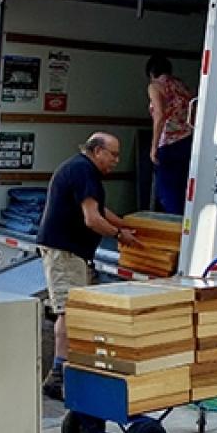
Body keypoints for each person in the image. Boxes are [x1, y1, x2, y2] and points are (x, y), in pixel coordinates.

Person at [37, 132, 141, 400]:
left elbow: (100, 211)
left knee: (75, 310)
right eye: (113, 154)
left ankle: (70, 370)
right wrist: (120, 237)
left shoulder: (81, 170)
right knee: (68, 311)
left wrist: (124, 224)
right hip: (66, 252)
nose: (116, 161)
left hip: (71, 252)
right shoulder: (84, 171)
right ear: (97, 151)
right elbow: (92, 219)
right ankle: (58, 376)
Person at [146, 54, 194, 215]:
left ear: (151, 73)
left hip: (169, 141)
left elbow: (159, 115)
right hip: (188, 138)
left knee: (167, 191)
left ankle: (174, 227)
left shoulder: (155, 86)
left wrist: (153, 146)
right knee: (183, 187)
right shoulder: (181, 85)